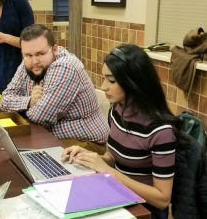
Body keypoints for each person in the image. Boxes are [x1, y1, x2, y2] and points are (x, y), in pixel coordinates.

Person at [62, 44, 186, 219]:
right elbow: (112, 157)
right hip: (116, 195)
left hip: (143, 210)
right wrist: (89, 157)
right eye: (104, 78)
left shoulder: (161, 131)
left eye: (111, 81)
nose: (103, 86)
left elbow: (162, 199)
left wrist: (109, 173)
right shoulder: (117, 111)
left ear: (133, 82)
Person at [0, 24, 109, 154]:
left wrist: (23, 109)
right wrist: (29, 102)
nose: (34, 61)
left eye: (40, 53)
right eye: (28, 55)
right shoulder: (28, 63)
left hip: (84, 144)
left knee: (25, 159)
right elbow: (4, 100)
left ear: (55, 49)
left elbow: (40, 117)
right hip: (48, 137)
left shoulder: (65, 66)